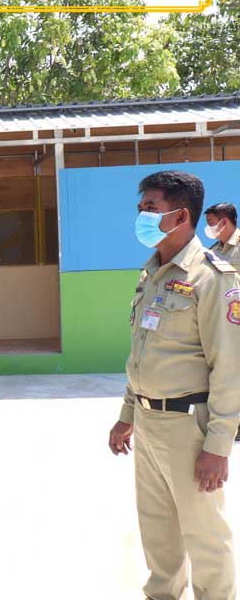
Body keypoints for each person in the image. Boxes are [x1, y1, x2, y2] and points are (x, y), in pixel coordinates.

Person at [108, 170, 240, 600]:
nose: (141, 216)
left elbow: (230, 367)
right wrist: (127, 415)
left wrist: (218, 446)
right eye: (140, 208)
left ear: (181, 216)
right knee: (158, 531)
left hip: (189, 428)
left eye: (150, 208)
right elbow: (143, 353)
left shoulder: (213, 277)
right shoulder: (152, 273)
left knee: (205, 535)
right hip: (148, 424)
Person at [204, 203, 240, 442]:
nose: (207, 228)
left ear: (224, 221)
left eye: (210, 223)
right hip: (223, 321)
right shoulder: (214, 250)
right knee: (227, 372)